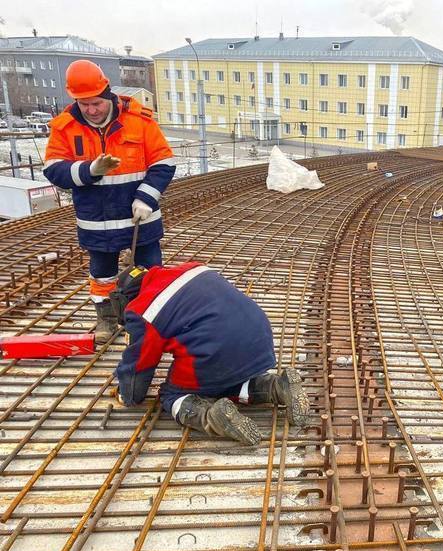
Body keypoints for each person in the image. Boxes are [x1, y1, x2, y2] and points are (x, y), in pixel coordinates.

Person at [43, 60, 176, 343]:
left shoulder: (139, 122)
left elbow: (163, 163)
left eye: (96, 104)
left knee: (150, 272)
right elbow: (53, 169)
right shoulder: (65, 128)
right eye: (84, 104)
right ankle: (106, 319)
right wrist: (90, 170)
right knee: (102, 276)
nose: (91, 110)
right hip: (97, 222)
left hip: (140, 220)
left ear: (107, 93)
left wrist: (146, 197)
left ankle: (148, 322)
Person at [110, 262, 310, 445]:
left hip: (215, 347)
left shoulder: (142, 308)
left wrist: (126, 394)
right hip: (259, 336)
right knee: (222, 381)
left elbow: (139, 366)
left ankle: (211, 416)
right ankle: (277, 386)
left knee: (172, 395)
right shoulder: (190, 268)